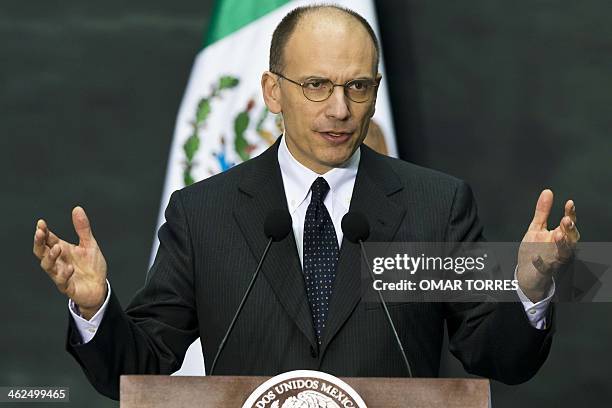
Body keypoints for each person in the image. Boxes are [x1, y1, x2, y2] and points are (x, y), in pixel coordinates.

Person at [32, 5, 580, 401]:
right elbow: (139, 365)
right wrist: (94, 307)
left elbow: (498, 357)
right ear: (273, 91)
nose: (340, 109)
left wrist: (529, 289)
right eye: (317, 85)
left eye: (358, 87)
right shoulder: (203, 213)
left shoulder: (435, 204)